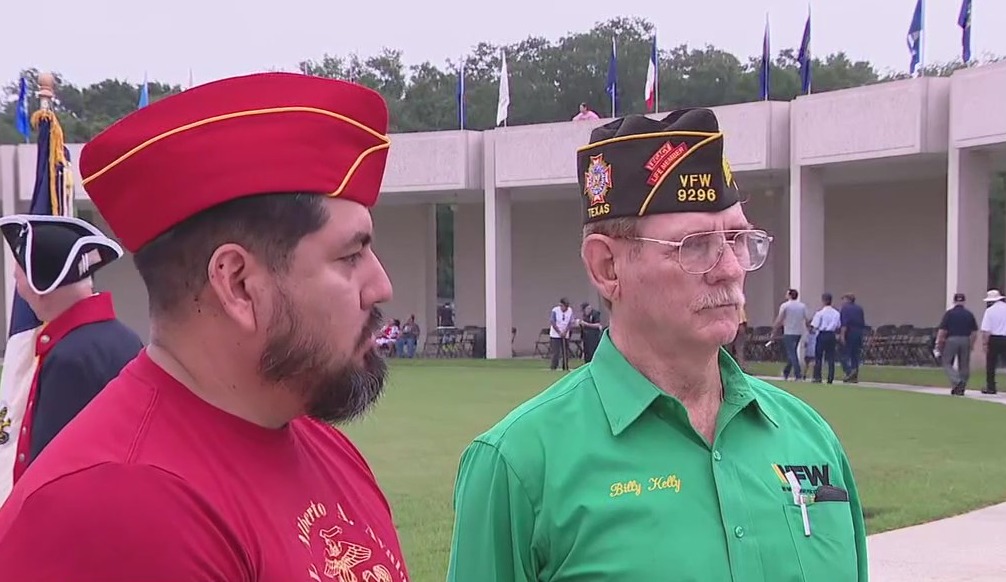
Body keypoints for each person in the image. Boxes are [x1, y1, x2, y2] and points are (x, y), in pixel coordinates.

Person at [0, 72, 410, 581]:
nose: (381, 285)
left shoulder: (320, 445)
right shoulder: (117, 510)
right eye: (351, 255)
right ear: (237, 284)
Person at [446, 108, 867, 581]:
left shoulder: (809, 438)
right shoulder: (519, 466)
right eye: (695, 245)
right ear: (607, 268)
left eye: (737, 238)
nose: (730, 268)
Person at [0, 214, 142, 504]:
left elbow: (51, 476)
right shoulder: (125, 338)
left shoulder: (69, 357)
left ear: (41, 290)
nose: (19, 286)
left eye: (20, 276)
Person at [934, 293, 979, 395]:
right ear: (964, 301)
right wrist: (971, 344)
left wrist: (939, 342)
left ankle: (957, 381)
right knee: (964, 365)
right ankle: (961, 387)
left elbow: (943, 330)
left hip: (951, 339)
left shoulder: (949, 314)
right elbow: (974, 332)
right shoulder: (969, 314)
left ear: (954, 301)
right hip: (965, 339)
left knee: (946, 362)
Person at [980, 289, 1006, 396]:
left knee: (991, 364)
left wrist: (985, 344)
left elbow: (986, 330)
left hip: (994, 339)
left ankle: (991, 387)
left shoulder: (989, 311)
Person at [774, 288, 808, 381]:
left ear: (789, 295)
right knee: (792, 353)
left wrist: (775, 328)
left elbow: (780, 318)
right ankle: (786, 372)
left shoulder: (785, 306)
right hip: (798, 332)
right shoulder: (802, 306)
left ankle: (798, 374)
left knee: (792, 353)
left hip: (788, 331)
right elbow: (806, 319)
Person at [811, 292, 841, 384]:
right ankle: (830, 377)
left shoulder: (820, 313)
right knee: (831, 356)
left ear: (823, 301)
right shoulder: (836, 313)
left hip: (822, 334)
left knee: (819, 356)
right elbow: (838, 325)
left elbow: (815, 325)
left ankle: (817, 377)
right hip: (831, 334)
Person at [838, 293, 866, 383]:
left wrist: (842, 335)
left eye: (843, 299)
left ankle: (849, 372)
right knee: (855, 355)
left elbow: (844, 324)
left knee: (843, 355)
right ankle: (854, 375)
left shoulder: (845, 309)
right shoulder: (859, 309)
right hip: (858, 333)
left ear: (847, 300)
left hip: (849, 333)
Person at [548, 297, 574, 370]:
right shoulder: (555, 310)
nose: (564, 308)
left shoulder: (570, 310)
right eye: (563, 306)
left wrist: (565, 331)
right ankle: (553, 367)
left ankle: (565, 366)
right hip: (555, 334)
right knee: (556, 352)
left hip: (565, 334)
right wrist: (559, 332)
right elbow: (552, 321)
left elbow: (570, 322)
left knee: (565, 352)